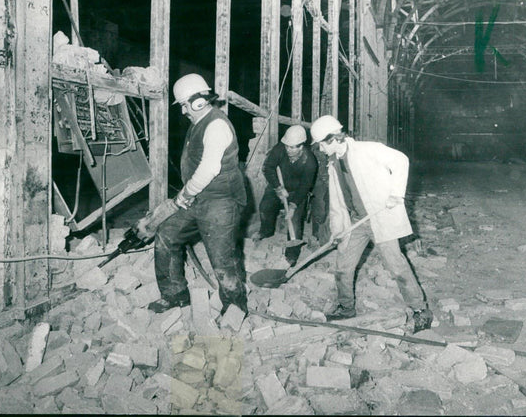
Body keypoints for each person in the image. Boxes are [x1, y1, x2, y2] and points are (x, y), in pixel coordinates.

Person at [136, 73, 248, 315]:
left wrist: (181, 198)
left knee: (221, 259)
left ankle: (235, 309)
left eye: (186, 105)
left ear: (199, 101)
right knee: (166, 234)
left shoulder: (216, 124)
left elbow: (209, 169)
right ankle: (175, 294)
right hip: (198, 199)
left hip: (220, 202)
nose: (184, 110)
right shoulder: (199, 122)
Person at [310, 114, 433, 333]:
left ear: (332, 139)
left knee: (397, 266)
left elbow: (401, 160)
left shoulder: (367, 150)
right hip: (358, 222)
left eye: (321, 144)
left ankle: (420, 310)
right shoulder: (333, 164)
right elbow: (338, 203)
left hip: (380, 219)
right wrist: (338, 231)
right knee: (343, 267)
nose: (320, 149)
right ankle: (346, 308)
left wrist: (396, 194)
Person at [255, 125, 318, 266]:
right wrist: (278, 187)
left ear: (301, 146)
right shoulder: (280, 149)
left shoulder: (310, 162)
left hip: (297, 192)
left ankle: (291, 256)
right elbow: (268, 167)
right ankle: (266, 231)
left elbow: (305, 186)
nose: (289, 149)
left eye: (293, 147)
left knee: (294, 223)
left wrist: (293, 205)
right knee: (265, 207)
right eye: (287, 146)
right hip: (279, 185)